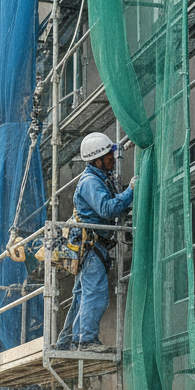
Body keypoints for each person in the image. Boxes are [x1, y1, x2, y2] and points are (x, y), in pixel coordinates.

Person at [56, 131, 133, 352]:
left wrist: (123, 146)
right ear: (97, 160)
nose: (112, 159)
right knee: (95, 294)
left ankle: (67, 341)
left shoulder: (97, 175)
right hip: (92, 246)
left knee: (82, 295)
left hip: (89, 245)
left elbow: (112, 150)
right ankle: (86, 340)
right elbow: (107, 209)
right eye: (108, 157)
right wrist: (130, 191)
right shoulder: (91, 182)